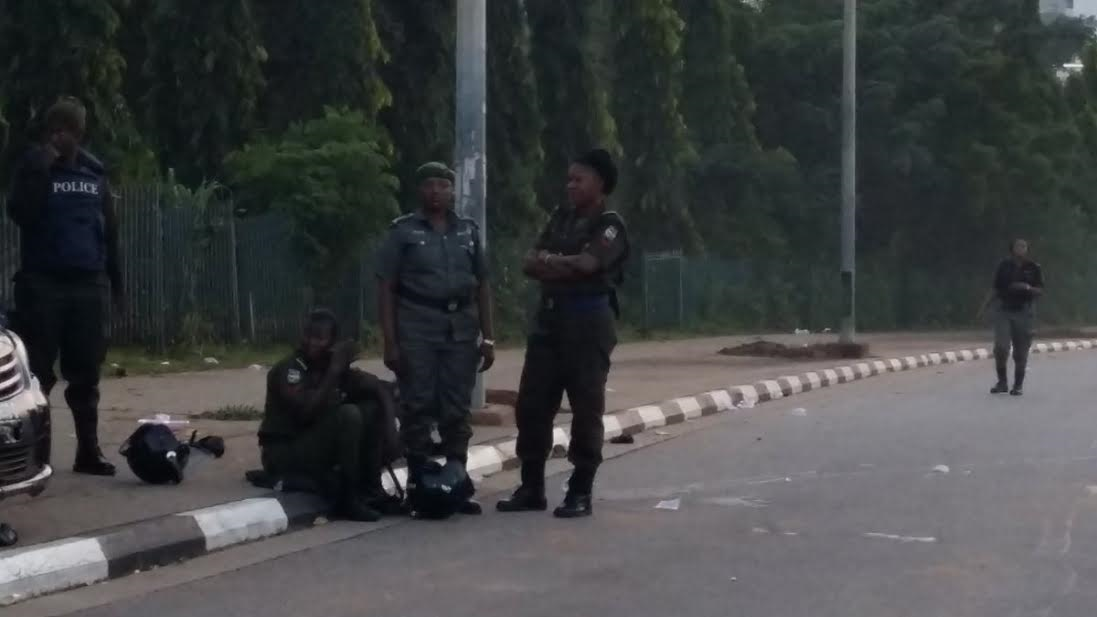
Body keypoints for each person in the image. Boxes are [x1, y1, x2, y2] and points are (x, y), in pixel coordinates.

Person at [497, 149, 629, 518]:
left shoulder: (610, 225)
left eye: (578, 179)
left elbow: (588, 264)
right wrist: (560, 264)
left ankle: (580, 490)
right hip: (550, 322)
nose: (570, 185)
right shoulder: (561, 217)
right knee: (532, 406)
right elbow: (528, 263)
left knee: (586, 408)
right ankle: (531, 487)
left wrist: (550, 261)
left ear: (599, 183)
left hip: (588, 324)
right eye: (569, 179)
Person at [5, 97, 123, 476]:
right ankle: (34, 456)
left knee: (86, 374)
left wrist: (116, 287)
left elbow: (110, 235)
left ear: (79, 133)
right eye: (54, 130)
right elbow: (21, 213)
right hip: (43, 286)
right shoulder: (33, 166)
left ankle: (88, 452)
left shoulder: (94, 173)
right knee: (38, 376)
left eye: (67, 130)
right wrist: (41, 168)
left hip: (88, 287)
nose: (60, 137)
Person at [376, 162, 495, 516]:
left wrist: (489, 337)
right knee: (418, 405)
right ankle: (419, 484)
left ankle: (456, 484)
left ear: (452, 191)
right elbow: (386, 287)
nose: (436, 192)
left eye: (443, 185)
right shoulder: (403, 232)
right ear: (420, 191)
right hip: (417, 326)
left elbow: (483, 284)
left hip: (461, 328)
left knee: (457, 408)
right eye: (429, 185)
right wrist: (390, 342)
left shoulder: (468, 231)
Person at [259, 309, 400, 522]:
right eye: (307, 335)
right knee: (348, 415)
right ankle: (347, 499)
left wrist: (391, 432)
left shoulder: (331, 367)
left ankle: (372, 491)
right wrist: (333, 372)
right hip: (283, 452)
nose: (311, 342)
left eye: (319, 338)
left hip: (311, 446)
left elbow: (380, 389)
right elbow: (305, 413)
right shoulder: (290, 369)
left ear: (332, 343)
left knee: (371, 409)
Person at [978, 238, 1044, 396]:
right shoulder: (1004, 266)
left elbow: (1040, 290)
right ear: (1012, 249)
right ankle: (1002, 382)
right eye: (1018, 246)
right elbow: (995, 289)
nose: (1021, 249)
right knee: (1001, 347)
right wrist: (984, 308)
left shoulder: (1033, 267)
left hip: (1024, 312)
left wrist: (1026, 288)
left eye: (1024, 246)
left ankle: (1018, 385)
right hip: (1004, 310)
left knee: (1021, 352)